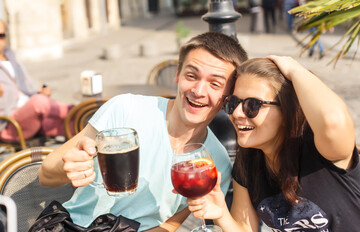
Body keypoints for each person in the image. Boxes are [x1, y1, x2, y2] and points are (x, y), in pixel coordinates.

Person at [37, 31, 249, 231]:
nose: (198, 91)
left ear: (227, 97)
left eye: (215, 84)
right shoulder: (125, 109)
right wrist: (69, 167)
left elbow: (170, 225)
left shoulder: (216, 162)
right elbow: (45, 174)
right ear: (177, 74)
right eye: (192, 76)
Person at [187, 56, 360, 231]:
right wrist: (222, 214)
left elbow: (333, 121)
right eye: (233, 102)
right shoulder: (249, 160)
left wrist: (295, 70)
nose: (237, 113)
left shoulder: (323, 151)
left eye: (252, 105)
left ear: (287, 111)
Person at [0, 19, 72, 142]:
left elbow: (27, 88)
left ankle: (96, 130)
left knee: (70, 126)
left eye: (1, 35)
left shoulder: (11, 58)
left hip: (30, 116)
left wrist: (40, 92)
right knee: (38, 102)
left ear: (6, 36)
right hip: (10, 125)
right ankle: (77, 111)